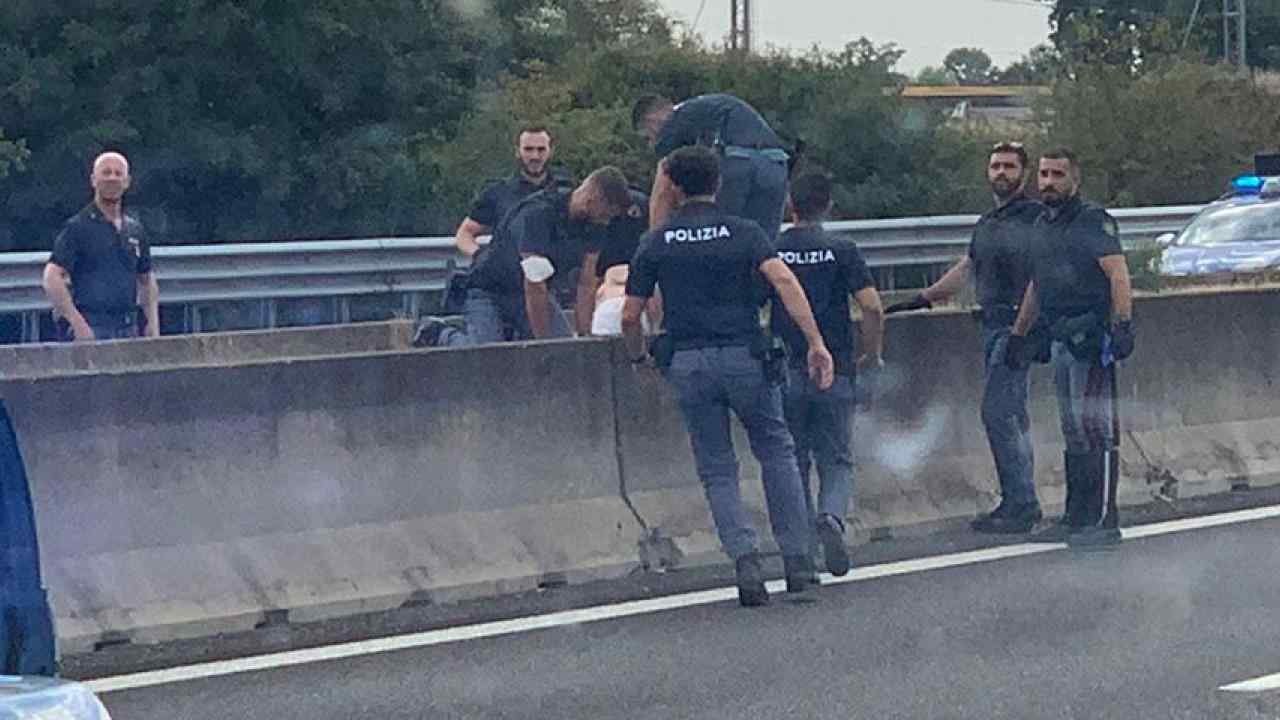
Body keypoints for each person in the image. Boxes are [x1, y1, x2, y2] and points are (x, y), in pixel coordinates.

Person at [620, 146, 834, 606]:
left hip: (689, 363)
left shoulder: (656, 241)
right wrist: (815, 341)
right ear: (717, 184)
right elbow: (784, 281)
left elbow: (629, 314)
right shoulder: (745, 233)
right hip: (746, 358)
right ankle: (798, 562)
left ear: (674, 187)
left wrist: (639, 359)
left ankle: (746, 563)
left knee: (717, 467)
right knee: (777, 452)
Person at [885, 142, 1046, 534]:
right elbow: (967, 267)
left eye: (1009, 166)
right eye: (995, 166)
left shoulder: (1035, 219)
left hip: (1015, 327)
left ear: (1023, 174)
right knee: (1013, 415)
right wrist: (922, 299)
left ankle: (1020, 503)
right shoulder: (988, 223)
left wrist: (1021, 332)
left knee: (997, 413)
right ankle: (1022, 499)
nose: (1001, 173)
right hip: (990, 325)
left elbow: (1042, 276)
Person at [1007, 149, 1135, 549]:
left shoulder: (1093, 220)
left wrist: (1122, 325)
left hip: (1091, 337)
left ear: (1074, 179)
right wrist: (1018, 334)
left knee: (1095, 427)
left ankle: (1103, 519)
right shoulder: (1041, 224)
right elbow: (1036, 284)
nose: (1048, 181)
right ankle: (1076, 515)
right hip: (1059, 336)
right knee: (1072, 430)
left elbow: (1117, 273)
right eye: (1044, 174)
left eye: (1057, 174)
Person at [772, 173, 884, 577]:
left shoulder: (775, 249)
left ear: (791, 205)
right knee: (836, 458)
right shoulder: (842, 249)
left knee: (793, 459)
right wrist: (871, 355)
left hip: (788, 365)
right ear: (829, 206)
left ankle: (803, 551)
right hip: (835, 365)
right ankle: (832, 518)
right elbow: (871, 306)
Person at [417, 168, 633, 346]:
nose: (607, 221)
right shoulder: (537, 215)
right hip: (489, 289)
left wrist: (586, 337)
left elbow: (586, 284)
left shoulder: (596, 225)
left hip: (527, 293)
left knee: (568, 348)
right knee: (486, 354)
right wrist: (544, 345)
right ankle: (440, 334)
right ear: (593, 199)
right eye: (607, 213)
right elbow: (534, 284)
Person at [633, 94, 789, 240]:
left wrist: (654, 241)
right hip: (776, 162)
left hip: (737, 161)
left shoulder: (676, 118)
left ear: (651, 120)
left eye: (648, 137)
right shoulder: (707, 108)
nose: (651, 144)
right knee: (764, 241)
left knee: (721, 237)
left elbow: (664, 180)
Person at [43, 151, 159, 342]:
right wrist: (77, 322)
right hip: (92, 325)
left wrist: (152, 323)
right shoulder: (78, 227)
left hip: (129, 327)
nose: (112, 178)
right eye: (106, 173)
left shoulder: (135, 230)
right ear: (93, 180)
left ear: (127, 181)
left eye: (117, 173)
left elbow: (146, 279)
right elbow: (51, 276)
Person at [454, 127, 565, 261]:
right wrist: (481, 256)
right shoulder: (497, 192)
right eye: (528, 149)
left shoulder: (565, 192)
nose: (535, 156)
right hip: (508, 277)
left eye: (541, 149)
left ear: (551, 151)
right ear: (517, 151)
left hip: (555, 276)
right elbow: (465, 233)